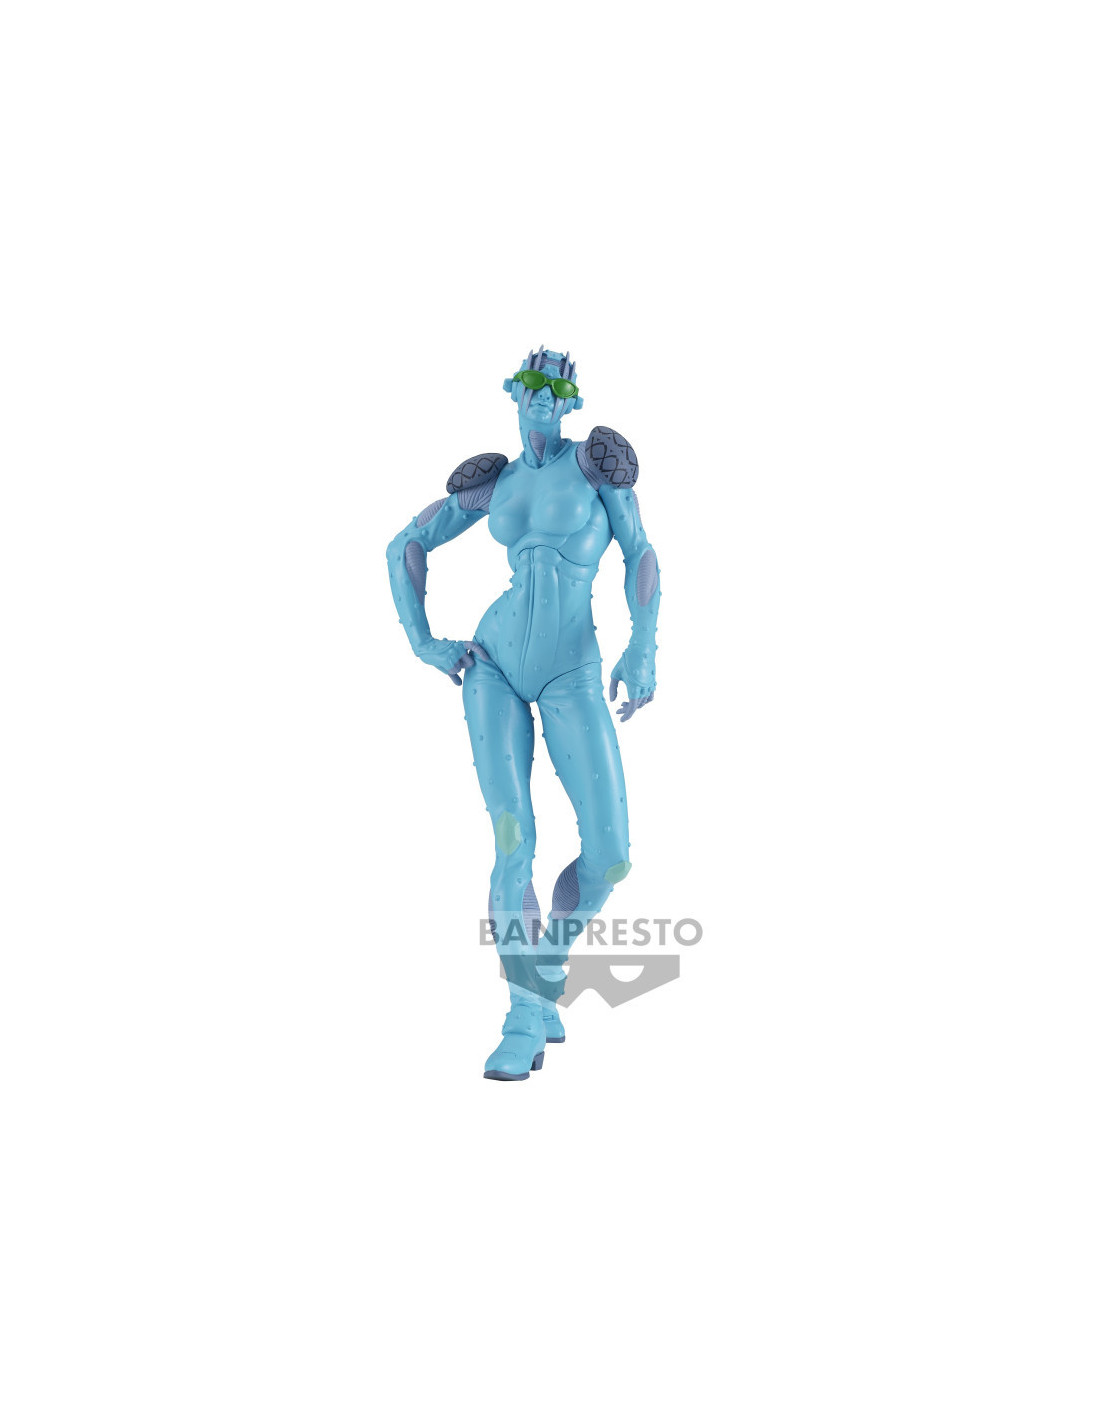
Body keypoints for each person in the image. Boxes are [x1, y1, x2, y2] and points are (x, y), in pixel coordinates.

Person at [386, 348, 661, 1080]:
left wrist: (643, 646)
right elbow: (405, 543)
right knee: (515, 842)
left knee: (611, 856)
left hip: (574, 668)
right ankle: (522, 1013)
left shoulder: (598, 467)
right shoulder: (494, 482)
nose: (544, 394)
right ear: (514, 392)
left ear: (572, 401)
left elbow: (640, 553)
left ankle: (546, 968)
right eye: (533, 381)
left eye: (557, 384)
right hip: (495, 666)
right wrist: (424, 642)